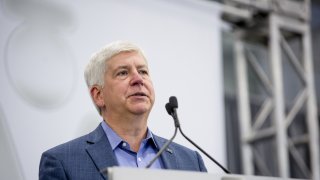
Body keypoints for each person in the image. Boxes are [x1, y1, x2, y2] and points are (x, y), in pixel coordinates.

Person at [39, 41, 207, 180]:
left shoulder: (191, 161)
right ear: (99, 95)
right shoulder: (62, 162)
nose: (138, 79)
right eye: (123, 73)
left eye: (143, 71)